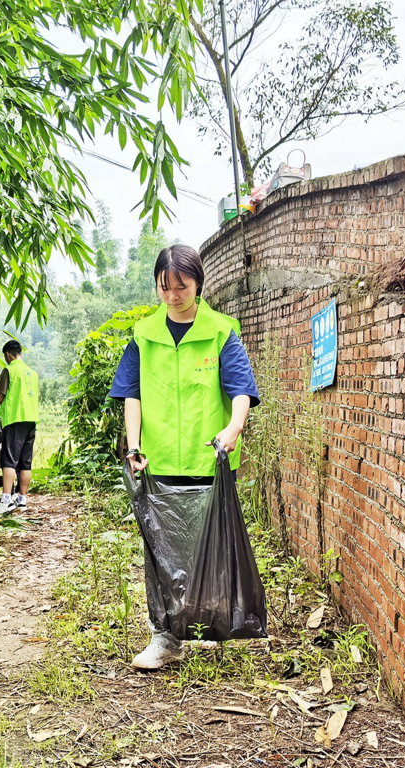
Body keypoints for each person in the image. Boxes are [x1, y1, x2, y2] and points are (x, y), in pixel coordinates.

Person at [110, 244, 260, 670]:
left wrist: (234, 429)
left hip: (206, 459)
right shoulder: (144, 335)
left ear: (198, 284)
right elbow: (131, 394)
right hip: (158, 463)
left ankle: (207, 624)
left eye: (182, 286)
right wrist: (134, 443)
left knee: (205, 551)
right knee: (160, 553)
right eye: (165, 287)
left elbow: (240, 390)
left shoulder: (220, 330)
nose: (173, 295)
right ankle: (165, 638)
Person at [0, 340, 39, 514]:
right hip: (31, 420)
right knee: (25, 463)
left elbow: (0, 398)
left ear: (7, 354)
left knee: (9, 461)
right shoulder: (33, 373)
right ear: (20, 352)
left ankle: (6, 500)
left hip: (15, 420)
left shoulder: (9, 370)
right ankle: (22, 500)